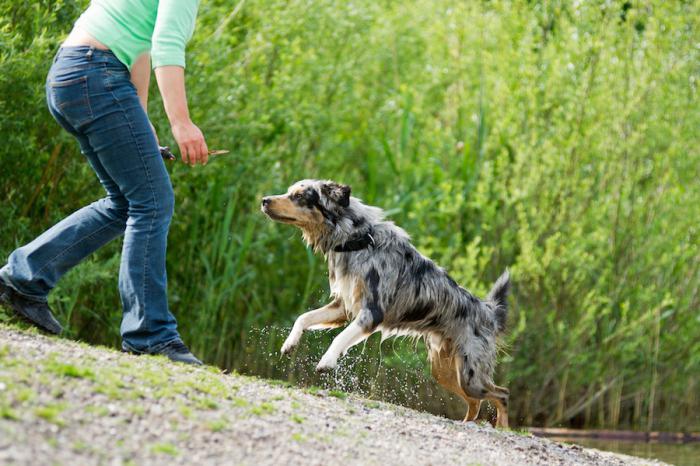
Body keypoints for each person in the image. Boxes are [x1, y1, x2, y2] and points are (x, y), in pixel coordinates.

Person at [0, 0, 208, 365]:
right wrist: (181, 123)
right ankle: (150, 334)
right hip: (96, 75)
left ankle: (23, 279)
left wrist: (140, 126)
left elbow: (138, 51)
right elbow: (165, 44)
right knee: (153, 203)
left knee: (126, 202)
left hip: (73, 73)